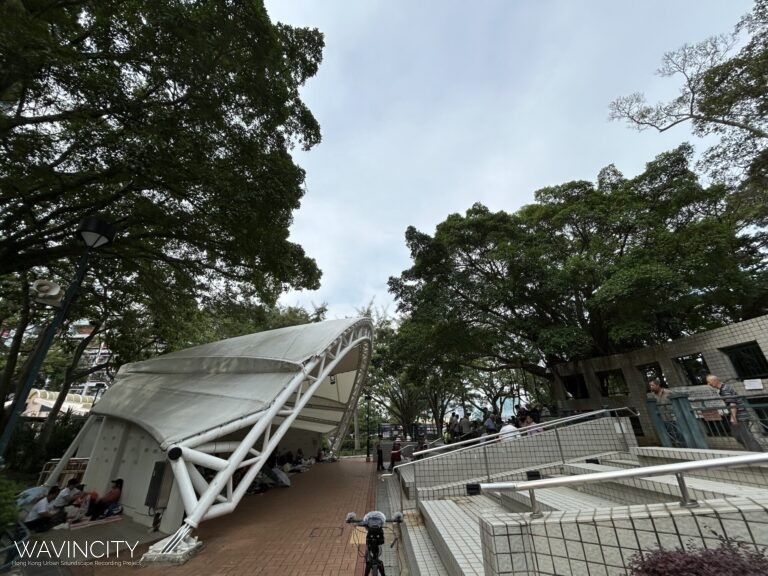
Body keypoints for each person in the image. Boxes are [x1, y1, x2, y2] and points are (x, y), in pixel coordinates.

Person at [706, 375, 764, 452]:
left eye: (709, 382)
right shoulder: (724, 388)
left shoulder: (725, 389)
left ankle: (759, 454)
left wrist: (733, 418)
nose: (708, 384)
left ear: (714, 381)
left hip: (740, 416)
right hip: (739, 415)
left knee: (745, 436)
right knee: (737, 435)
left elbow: (732, 404)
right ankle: (754, 452)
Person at [648, 378, 685, 446]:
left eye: (652, 385)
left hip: (673, 417)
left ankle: (685, 447)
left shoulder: (668, 392)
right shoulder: (652, 396)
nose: (651, 387)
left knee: (680, 434)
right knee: (670, 435)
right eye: (650, 386)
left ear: (658, 385)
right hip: (663, 419)